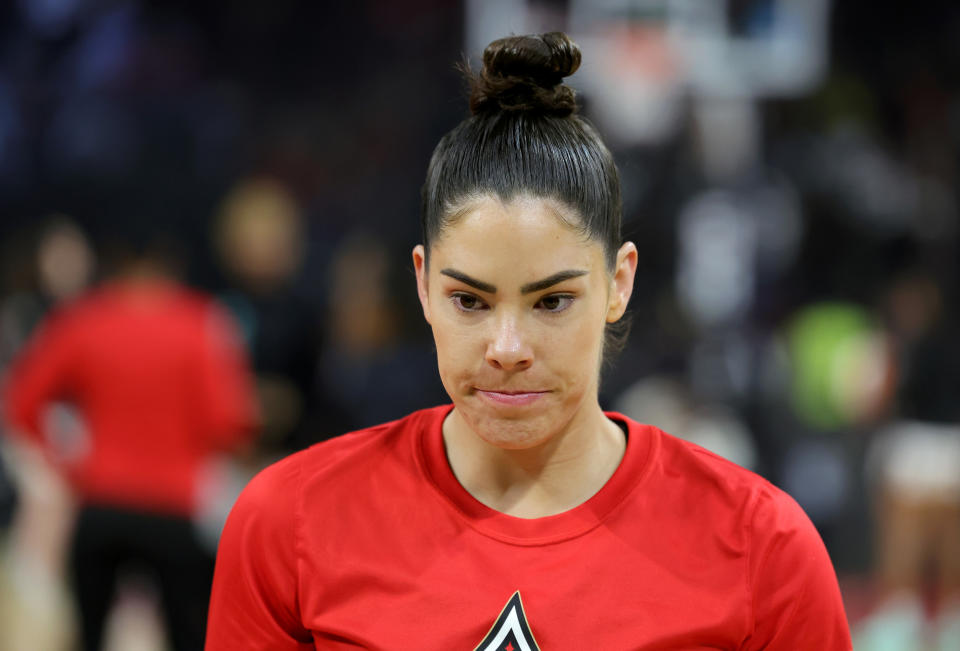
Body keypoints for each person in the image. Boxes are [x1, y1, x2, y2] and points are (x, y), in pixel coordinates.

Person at [205, 32, 852, 649]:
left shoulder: (764, 547)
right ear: (424, 285)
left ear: (619, 282)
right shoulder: (288, 522)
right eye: (469, 300)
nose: (507, 346)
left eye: (552, 301)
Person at [3, 225, 259, 651]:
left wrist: (67, 463)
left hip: (100, 504)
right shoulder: (198, 323)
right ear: (172, 264)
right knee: (190, 635)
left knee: (90, 635)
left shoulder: (85, 319)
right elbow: (229, 423)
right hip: (174, 512)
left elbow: (22, 402)